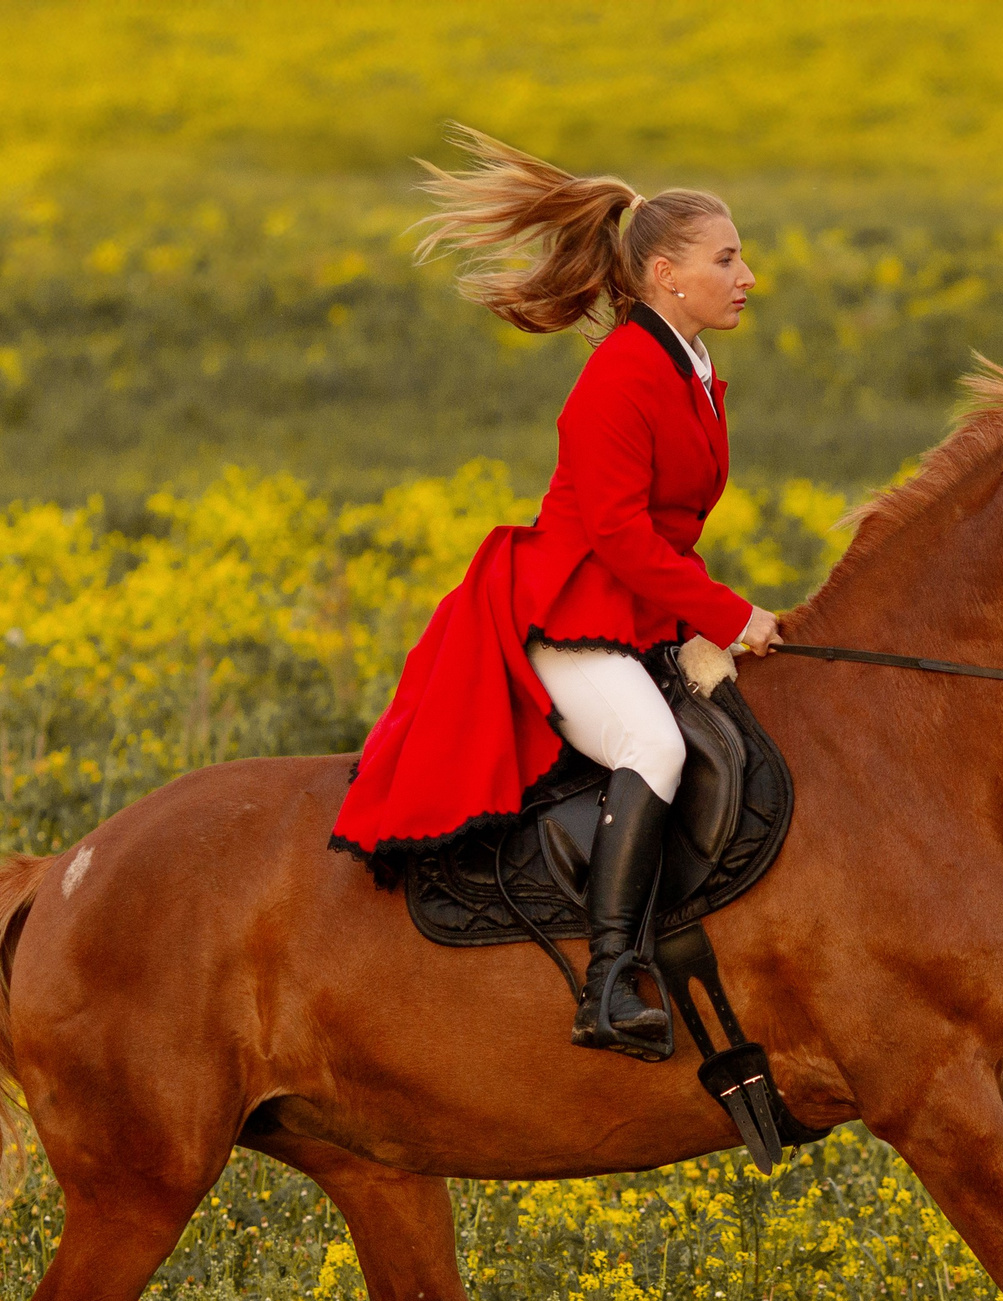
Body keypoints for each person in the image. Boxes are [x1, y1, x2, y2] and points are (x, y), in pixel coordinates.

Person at [329, 127, 781, 1061]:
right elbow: (617, 535)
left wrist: (706, 623)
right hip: (570, 612)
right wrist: (727, 615)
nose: (747, 276)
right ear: (665, 273)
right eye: (727, 258)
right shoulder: (622, 372)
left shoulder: (689, 372)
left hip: (630, 613)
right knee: (650, 742)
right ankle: (611, 980)